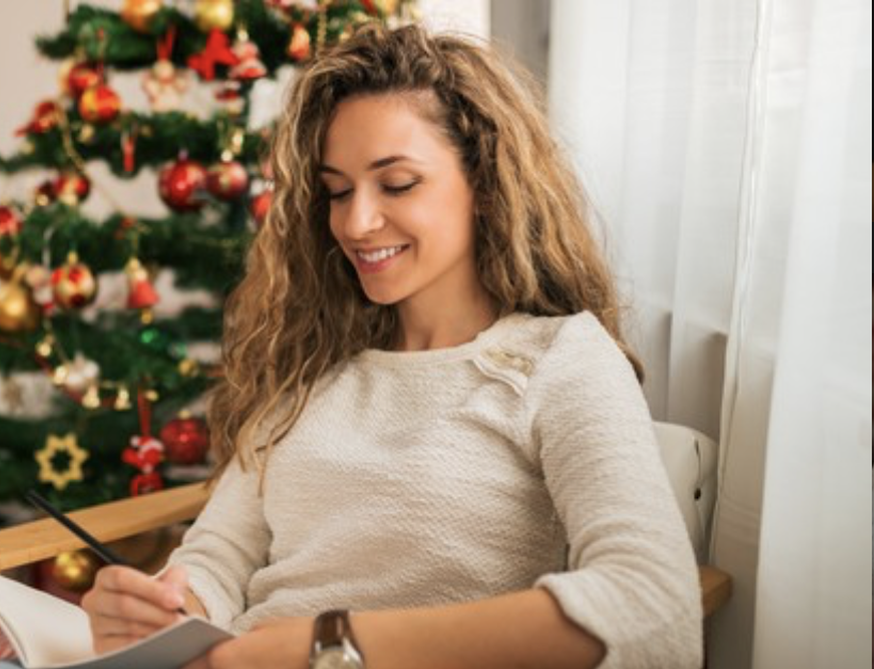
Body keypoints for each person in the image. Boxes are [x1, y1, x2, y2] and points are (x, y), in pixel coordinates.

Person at [75, 21, 703, 669]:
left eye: (396, 183)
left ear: (485, 186)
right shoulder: (310, 366)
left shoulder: (561, 359)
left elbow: (654, 606)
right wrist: (168, 605)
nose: (355, 221)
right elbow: (220, 556)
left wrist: (333, 643)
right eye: (337, 190)